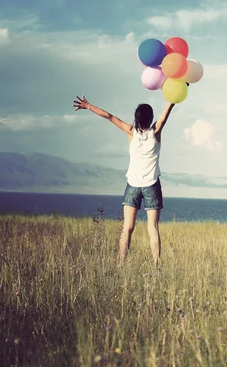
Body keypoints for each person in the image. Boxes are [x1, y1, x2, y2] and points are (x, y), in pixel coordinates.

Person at [72, 95, 177, 267]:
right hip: (151, 185)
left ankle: (121, 265)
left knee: (127, 228)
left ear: (136, 118)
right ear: (150, 118)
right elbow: (167, 111)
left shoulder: (130, 131)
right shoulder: (156, 132)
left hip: (133, 186)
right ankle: (156, 265)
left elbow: (109, 116)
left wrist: (88, 106)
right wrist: (177, 92)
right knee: (153, 228)